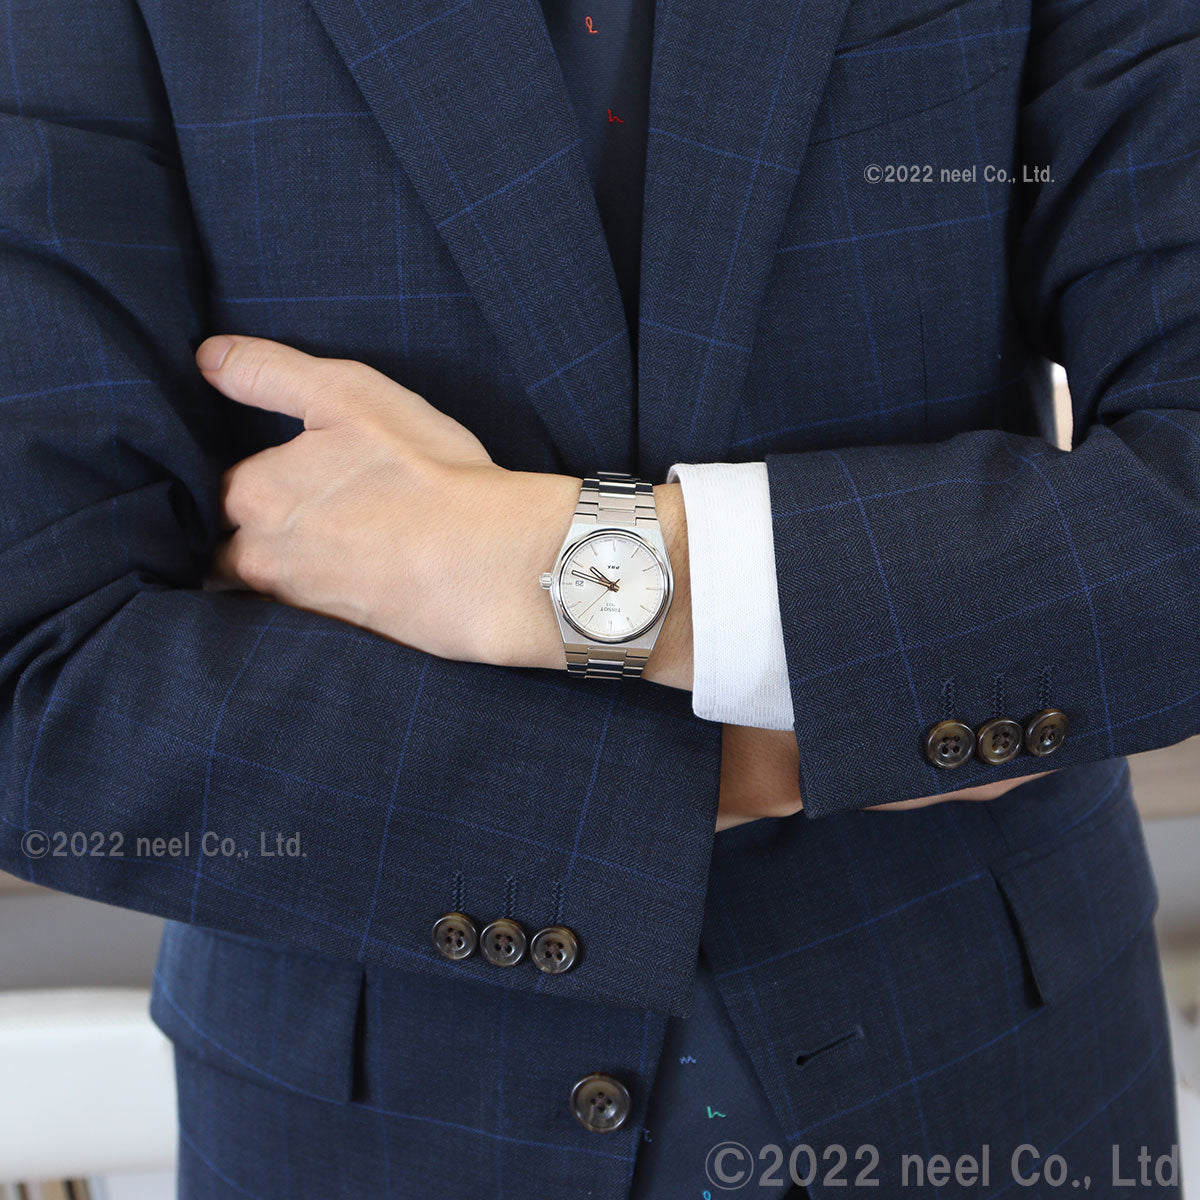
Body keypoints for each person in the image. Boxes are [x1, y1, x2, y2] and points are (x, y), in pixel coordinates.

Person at [0, 0, 1191, 1195]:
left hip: (990, 1068)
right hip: (371, 1123)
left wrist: (545, 563)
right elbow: (36, 669)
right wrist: (788, 741)